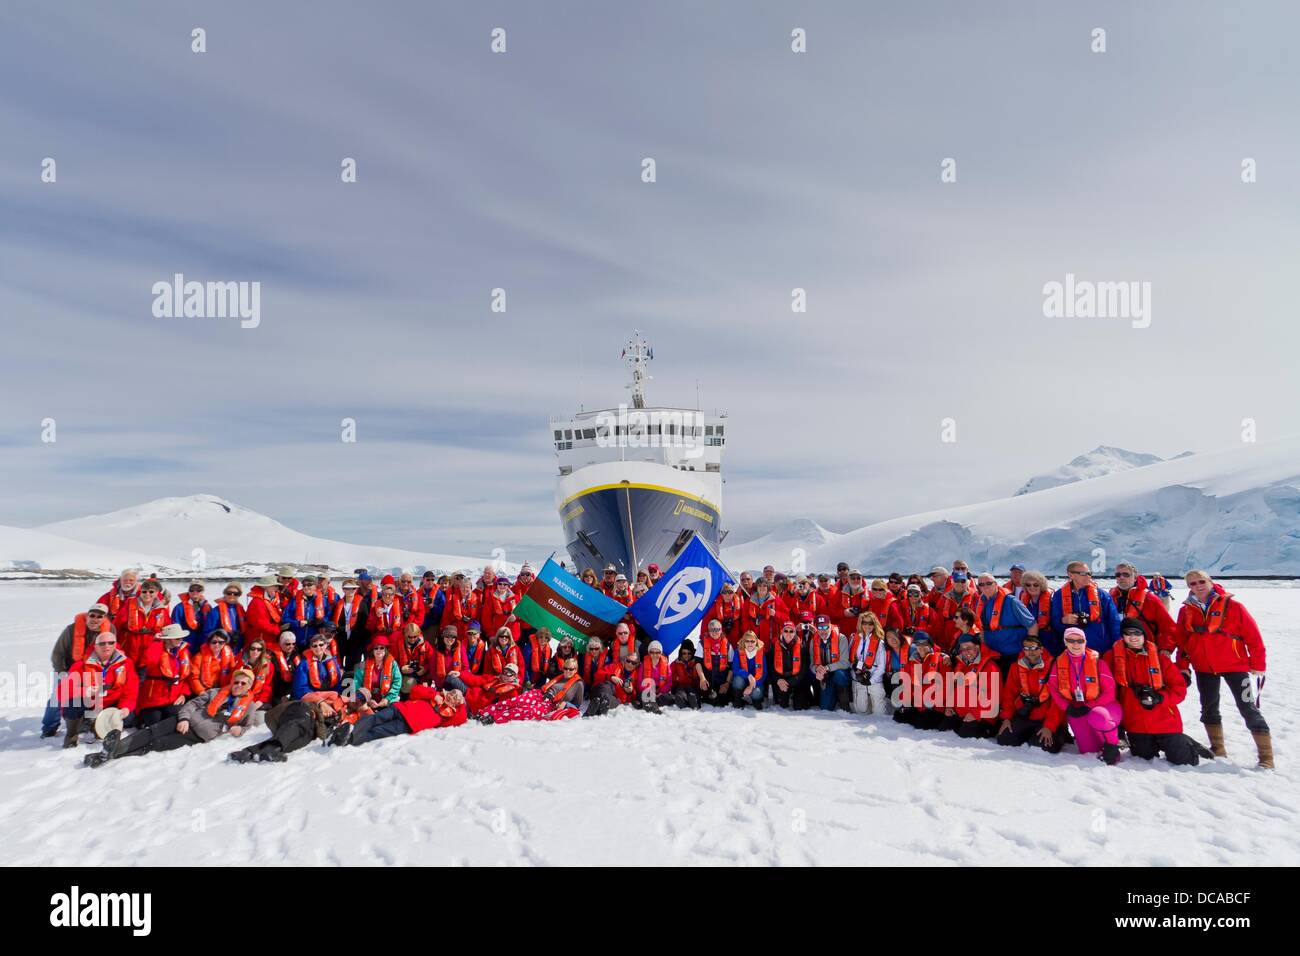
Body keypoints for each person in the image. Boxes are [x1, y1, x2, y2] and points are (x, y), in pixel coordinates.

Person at [1175, 571, 1271, 768]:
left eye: (1202, 581)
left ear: (1210, 582)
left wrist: (1258, 664)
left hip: (1234, 666)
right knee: (1209, 708)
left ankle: (1266, 757)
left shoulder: (1234, 607)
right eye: (1193, 583)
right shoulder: (1185, 611)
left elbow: (1253, 637)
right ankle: (1218, 748)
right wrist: (1183, 666)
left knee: (1247, 707)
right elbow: (1182, 642)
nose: (1198, 586)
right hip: (1203, 667)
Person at [84, 669, 258, 768]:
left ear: (249, 686)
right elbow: (191, 704)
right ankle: (112, 750)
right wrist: (183, 719)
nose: (238, 686)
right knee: (151, 731)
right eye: (237, 682)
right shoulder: (216, 692)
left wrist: (240, 730)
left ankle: (113, 754)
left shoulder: (248, 707)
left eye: (243, 683)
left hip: (197, 736)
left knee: (157, 744)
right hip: (184, 720)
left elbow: (247, 726)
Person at [1105, 619, 1203, 766]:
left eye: (1137, 633)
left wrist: (1159, 697)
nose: (1133, 637)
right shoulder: (1112, 657)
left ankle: (1186, 743)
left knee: (1183, 761)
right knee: (1144, 758)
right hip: (1135, 723)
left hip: (1165, 721)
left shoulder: (1160, 659)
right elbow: (1106, 689)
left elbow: (1179, 689)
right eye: (1128, 633)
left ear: (1144, 635)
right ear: (1122, 637)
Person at [1044, 627, 1123, 765]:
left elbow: (1110, 692)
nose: (1075, 644)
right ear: (1065, 642)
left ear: (1085, 642)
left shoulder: (1098, 662)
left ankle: (1112, 745)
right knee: (1088, 750)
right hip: (1077, 709)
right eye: (1071, 640)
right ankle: (1100, 742)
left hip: (1105, 707)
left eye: (1079, 640)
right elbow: (1054, 690)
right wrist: (1067, 708)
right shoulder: (1058, 664)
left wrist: (1089, 706)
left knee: (1098, 716)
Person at [41, 602, 113, 738]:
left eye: (99, 616)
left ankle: (90, 724)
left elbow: (112, 649)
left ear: (104, 618)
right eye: (92, 615)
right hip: (68, 670)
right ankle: (49, 728)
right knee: (57, 698)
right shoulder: (71, 630)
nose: (95, 619)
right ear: (87, 616)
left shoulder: (110, 629)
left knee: (96, 698)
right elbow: (57, 654)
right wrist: (63, 673)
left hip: (93, 670)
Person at [57, 628, 139, 748]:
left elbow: (131, 690)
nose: (107, 646)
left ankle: (96, 725)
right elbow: (61, 691)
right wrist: (85, 691)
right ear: (95, 647)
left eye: (111, 643)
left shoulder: (126, 664)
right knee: (73, 704)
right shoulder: (81, 665)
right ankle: (72, 735)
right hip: (90, 704)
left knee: (129, 718)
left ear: (115, 645)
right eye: (102, 643)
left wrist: (125, 707)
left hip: (111, 706)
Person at [229, 692, 346, 763]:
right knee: (301, 721)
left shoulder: (345, 718)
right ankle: (270, 748)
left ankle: (251, 753)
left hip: (302, 725)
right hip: (296, 709)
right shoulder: (334, 696)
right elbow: (306, 696)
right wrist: (322, 703)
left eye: (363, 701)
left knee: (304, 738)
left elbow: (323, 734)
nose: (359, 702)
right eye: (358, 697)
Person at [996, 633, 1065, 752]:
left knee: (1046, 745)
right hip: (1024, 714)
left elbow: (1057, 701)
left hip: (1045, 716)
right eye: (1026, 648)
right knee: (1004, 739)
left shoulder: (1054, 667)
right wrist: (1006, 718)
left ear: (1041, 649)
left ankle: (1061, 732)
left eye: (1034, 648)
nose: (1030, 651)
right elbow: (1009, 694)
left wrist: (1049, 726)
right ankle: (1030, 734)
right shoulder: (1015, 667)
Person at [330, 687, 468, 746]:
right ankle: (349, 731)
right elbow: (415, 691)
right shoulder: (434, 693)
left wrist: (461, 703)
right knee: (375, 719)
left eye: (455, 698)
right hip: (400, 709)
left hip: (408, 725)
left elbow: (462, 718)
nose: (451, 697)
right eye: (451, 694)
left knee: (378, 731)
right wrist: (433, 695)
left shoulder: (449, 716)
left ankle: (350, 739)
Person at [479, 660, 585, 724]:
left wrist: (566, 704)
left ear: (576, 670)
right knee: (515, 701)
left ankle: (493, 718)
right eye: (566, 668)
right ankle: (484, 712)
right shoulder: (560, 677)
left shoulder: (578, 684)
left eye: (571, 669)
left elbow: (577, 705)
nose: (568, 671)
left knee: (526, 711)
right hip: (541, 694)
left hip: (552, 704)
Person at [1047, 561, 1121, 655]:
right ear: (1071, 575)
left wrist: (1116, 644)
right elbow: (1054, 623)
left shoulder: (1101, 595)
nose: (1088, 576)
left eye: (1089, 573)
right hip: (1072, 650)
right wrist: (1063, 621)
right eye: (1083, 574)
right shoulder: (1059, 596)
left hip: (1100, 649)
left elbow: (1114, 621)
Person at [1110, 563, 1178, 657]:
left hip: (1146, 654)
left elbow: (1168, 627)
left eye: (1126, 574)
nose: (1121, 577)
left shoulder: (1150, 599)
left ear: (1135, 578)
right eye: (1118, 575)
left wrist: (1165, 649)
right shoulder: (1110, 598)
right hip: (1118, 653)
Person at [974, 573, 1037, 674]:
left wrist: (1030, 651)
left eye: (989, 583)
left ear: (995, 584)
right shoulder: (981, 602)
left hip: (1013, 654)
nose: (985, 587)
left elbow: (1032, 625)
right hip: (992, 653)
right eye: (981, 584)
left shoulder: (1011, 601)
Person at [943, 633, 1000, 737]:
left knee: (965, 734)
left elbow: (993, 696)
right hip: (963, 712)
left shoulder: (990, 667)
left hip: (983, 715)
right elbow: (956, 689)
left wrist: (976, 713)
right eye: (963, 649)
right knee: (944, 728)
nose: (966, 652)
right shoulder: (962, 664)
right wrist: (950, 705)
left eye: (969, 648)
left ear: (977, 647)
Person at [136, 622, 193, 727]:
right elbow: (150, 660)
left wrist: (183, 693)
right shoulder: (155, 649)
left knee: (173, 719)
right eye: (177, 638)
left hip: (172, 698)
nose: (180, 640)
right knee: (155, 722)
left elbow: (187, 677)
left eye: (181, 638)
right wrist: (157, 642)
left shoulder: (183, 652)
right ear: (167, 639)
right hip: (152, 700)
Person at [894, 631, 948, 729]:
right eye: (918, 644)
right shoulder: (912, 661)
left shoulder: (941, 660)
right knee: (899, 716)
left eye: (924, 644)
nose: (921, 647)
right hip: (919, 705)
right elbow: (908, 684)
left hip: (935, 706)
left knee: (921, 724)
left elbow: (946, 686)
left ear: (930, 644)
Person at [115, 577, 170, 665]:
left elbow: (167, 628)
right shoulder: (129, 605)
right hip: (130, 645)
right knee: (128, 671)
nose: (147, 594)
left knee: (144, 673)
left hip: (150, 648)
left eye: (151, 591)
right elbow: (117, 625)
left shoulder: (162, 610)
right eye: (144, 591)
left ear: (156, 593)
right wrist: (115, 645)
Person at [847, 613, 889, 715]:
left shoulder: (880, 642)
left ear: (874, 624)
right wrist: (853, 668)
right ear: (860, 624)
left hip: (874, 680)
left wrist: (871, 680)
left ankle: (884, 703)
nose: (867, 626)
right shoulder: (854, 638)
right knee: (861, 712)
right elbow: (849, 660)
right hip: (858, 679)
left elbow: (882, 667)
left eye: (870, 623)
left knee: (880, 714)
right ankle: (864, 701)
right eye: (864, 623)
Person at [770, 621, 812, 711]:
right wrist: (778, 680)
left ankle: (800, 695)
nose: (788, 634)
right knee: (781, 704)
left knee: (799, 706)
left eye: (791, 631)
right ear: (782, 632)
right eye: (786, 631)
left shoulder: (802, 646)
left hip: (797, 679)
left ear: (795, 632)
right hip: (781, 679)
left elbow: (804, 669)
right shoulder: (774, 645)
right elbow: (771, 667)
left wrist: (790, 682)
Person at [354, 636, 403, 712]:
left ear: (386, 650)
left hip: (388, 700)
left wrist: (387, 699)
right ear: (372, 651)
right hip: (368, 702)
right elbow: (356, 685)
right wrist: (368, 700)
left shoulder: (393, 664)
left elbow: (397, 682)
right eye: (376, 648)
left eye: (381, 648)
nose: (378, 650)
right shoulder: (362, 665)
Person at [282, 575, 330, 647]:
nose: (306, 587)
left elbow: (328, 616)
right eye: (304, 585)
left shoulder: (323, 601)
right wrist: (297, 623)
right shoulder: (295, 601)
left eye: (309, 584)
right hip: (297, 640)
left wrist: (320, 621)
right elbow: (285, 618)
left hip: (314, 642)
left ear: (315, 586)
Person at [334, 578, 371, 668]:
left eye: (353, 588)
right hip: (341, 639)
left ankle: (351, 682)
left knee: (353, 666)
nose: (350, 591)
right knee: (339, 665)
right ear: (343, 589)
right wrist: (343, 629)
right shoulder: (338, 604)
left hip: (356, 640)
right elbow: (335, 623)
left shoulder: (362, 604)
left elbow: (364, 623)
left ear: (356, 589)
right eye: (347, 588)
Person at [741, 578, 788, 650]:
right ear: (756, 587)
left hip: (771, 641)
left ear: (768, 587)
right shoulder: (749, 601)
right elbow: (745, 620)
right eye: (760, 586)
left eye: (764, 586)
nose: (762, 588)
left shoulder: (776, 600)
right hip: (754, 641)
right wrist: (748, 635)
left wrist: (776, 614)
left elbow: (786, 618)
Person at [292, 634, 343, 698]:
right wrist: (318, 698)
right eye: (315, 646)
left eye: (321, 645)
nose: (318, 648)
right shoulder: (303, 664)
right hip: (313, 696)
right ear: (311, 648)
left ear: (326, 645)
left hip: (331, 694)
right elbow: (300, 688)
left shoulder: (333, 661)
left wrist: (338, 695)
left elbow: (337, 682)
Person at [188, 629, 237, 696]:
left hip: (223, 689)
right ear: (209, 642)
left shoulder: (229, 655)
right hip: (205, 690)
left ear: (225, 643)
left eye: (221, 642)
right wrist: (201, 692)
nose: (217, 644)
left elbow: (233, 672)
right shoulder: (198, 657)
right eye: (214, 642)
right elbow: (193, 678)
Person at [243, 576, 283, 650]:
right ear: (266, 587)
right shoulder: (257, 602)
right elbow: (260, 623)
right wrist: (277, 629)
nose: (277, 589)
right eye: (275, 586)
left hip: (266, 640)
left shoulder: (269, 600)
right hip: (259, 642)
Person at [392, 622, 433, 694]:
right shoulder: (397, 645)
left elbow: (432, 661)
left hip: (422, 675)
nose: (412, 639)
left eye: (415, 636)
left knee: (425, 690)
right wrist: (401, 668)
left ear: (419, 634)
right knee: (408, 686)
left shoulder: (426, 645)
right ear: (405, 635)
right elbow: (391, 662)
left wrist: (425, 669)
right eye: (410, 637)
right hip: (405, 674)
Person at [204, 582, 245, 652]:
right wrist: (222, 636)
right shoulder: (216, 611)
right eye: (229, 593)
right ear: (225, 594)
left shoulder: (240, 609)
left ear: (239, 596)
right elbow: (207, 632)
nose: (232, 595)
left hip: (238, 647)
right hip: (221, 649)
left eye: (235, 594)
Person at [698, 620, 732, 706]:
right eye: (711, 630)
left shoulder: (728, 645)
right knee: (707, 698)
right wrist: (702, 679)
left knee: (723, 701)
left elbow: (732, 666)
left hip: (722, 679)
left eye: (717, 629)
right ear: (708, 631)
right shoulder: (702, 644)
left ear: (721, 630)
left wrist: (727, 683)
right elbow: (698, 663)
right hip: (707, 679)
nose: (714, 632)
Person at [730, 631, 766, 710]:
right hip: (743, 680)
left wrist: (752, 684)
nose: (750, 644)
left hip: (756, 682)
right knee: (737, 680)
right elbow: (735, 668)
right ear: (743, 641)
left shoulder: (761, 653)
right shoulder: (738, 651)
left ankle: (755, 701)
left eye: (752, 641)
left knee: (756, 693)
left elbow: (764, 673)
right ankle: (738, 701)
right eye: (747, 641)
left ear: (756, 642)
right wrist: (748, 675)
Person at [634, 641, 674, 710]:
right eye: (652, 652)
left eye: (657, 653)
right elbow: (640, 683)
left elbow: (669, 683)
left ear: (661, 653)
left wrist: (661, 692)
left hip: (660, 692)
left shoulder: (666, 665)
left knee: (671, 698)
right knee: (644, 695)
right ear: (649, 653)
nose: (654, 655)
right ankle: (654, 707)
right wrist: (650, 691)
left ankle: (646, 703)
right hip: (648, 691)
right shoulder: (643, 665)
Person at [702, 581, 745, 646]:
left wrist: (744, 636)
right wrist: (703, 636)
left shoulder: (740, 604)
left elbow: (744, 620)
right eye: (724, 592)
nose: (727, 594)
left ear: (733, 593)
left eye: (730, 592)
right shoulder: (714, 606)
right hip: (720, 638)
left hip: (737, 638)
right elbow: (706, 620)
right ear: (721, 594)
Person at [172, 582, 211, 650]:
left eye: (198, 590)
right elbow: (175, 625)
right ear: (188, 591)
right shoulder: (179, 607)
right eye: (192, 590)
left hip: (203, 642)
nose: (194, 592)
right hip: (186, 642)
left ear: (202, 592)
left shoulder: (208, 607)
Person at [1019, 571, 1053, 645]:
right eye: (1028, 585)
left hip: (1048, 637)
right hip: (1029, 637)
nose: (1032, 587)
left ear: (1041, 585)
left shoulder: (1052, 599)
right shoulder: (1023, 598)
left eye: (1036, 585)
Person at [267, 630, 300, 706]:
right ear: (280, 644)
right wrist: (282, 695)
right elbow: (274, 680)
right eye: (288, 644)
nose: (291, 646)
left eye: (293, 644)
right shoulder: (272, 658)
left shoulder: (296, 654)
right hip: (277, 693)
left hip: (293, 690)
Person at [367, 577, 404, 644]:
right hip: (380, 637)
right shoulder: (375, 608)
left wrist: (394, 631)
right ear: (382, 595)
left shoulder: (399, 607)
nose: (387, 597)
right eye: (385, 594)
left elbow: (402, 625)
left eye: (390, 595)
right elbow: (370, 627)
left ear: (394, 595)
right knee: (380, 641)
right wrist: (376, 617)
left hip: (395, 637)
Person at [670, 640, 703, 709]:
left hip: (692, 687)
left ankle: (694, 701)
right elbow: (670, 675)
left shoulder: (696, 663)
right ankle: (682, 700)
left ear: (693, 653)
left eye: (689, 653)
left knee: (691, 691)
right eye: (684, 653)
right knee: (680, 691)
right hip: (680, 686)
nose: (686, 655)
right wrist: (677, 678)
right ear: (681, 653)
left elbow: (699, 677)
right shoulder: (676, 663)